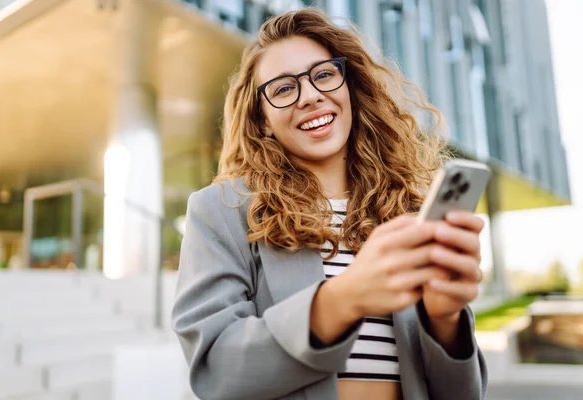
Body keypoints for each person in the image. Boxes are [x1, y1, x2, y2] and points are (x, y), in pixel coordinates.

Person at [172, 8, 487, 400]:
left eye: (323, 75)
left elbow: (463, 395)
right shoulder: (221, 210)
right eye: (284, 89)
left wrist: (444, 319)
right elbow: (215, 371)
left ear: (348, 87)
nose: (310, 96)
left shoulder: (406, 216)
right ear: (263, 118)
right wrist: (341, 300)